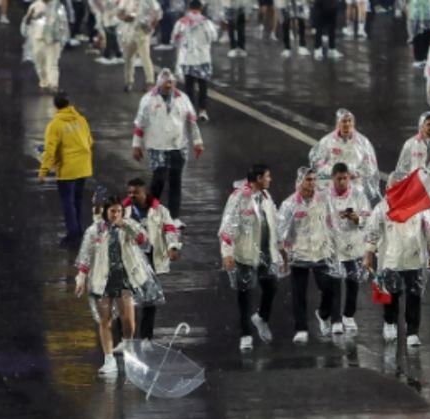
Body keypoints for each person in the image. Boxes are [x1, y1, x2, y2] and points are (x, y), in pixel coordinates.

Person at [76, 196, 164, 375]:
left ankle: (129, 349)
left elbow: (144, 241)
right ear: (105, 212)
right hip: (102, 280)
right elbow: (85, 255)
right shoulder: (95, 231)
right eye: (112, 211)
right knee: (105, 321)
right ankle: (109, 360)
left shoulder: (129, 225)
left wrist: (126, 225)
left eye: (119, 211)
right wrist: (81, 278)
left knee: (128, 321)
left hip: (124, 279)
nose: (116, 214)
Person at [365, 174, 430, 346]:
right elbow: (372, 234)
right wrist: (368, 255)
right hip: (389, 261)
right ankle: (389, 322)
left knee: (414, 296)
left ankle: (412, 331)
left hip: (414, 259)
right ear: (388, 189)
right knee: (389, 296)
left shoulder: (420, 206)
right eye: (395, 187)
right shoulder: (381, 208)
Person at [219, 165, 282, 351]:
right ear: (258, 178)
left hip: (266, 253)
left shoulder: (266, 197)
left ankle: (261, 318)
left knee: (272, 287)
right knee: (245, 295)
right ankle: (245, 334)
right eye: (267, 177)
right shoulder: (238, 198)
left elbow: (274, 223)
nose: (270, 180)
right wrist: (227, 253)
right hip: (244, 255)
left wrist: (281, 248)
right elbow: (227, 227)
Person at [132, 68, 205, 227]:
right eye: (166, 82)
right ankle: (150, 215)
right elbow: (140, 124)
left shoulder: (183, 98)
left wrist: (197, 141)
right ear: (159, 83)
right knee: (158, 180)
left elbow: (192, 122)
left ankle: (174, 217)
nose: (168, 85)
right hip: (157, 146)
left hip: (178, 145)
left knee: (175, 181)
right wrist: (136, 145)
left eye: (171, 82)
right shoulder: (148, 99)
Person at [277, 168, 342, 343]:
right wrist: (283, 257)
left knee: (328, 289)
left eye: (314, 180)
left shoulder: (324, 199)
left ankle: (323, 313)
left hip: (321, 253)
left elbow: (332, 224)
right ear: (300, 182)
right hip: (299, 255)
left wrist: (336, 249)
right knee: (299, 294)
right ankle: (301, 329)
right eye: (308, 180)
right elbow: (281, 233)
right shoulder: (289, 204)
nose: (312, 183)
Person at [123, 178, 181, 341]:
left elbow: (170, 229)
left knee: (149, 299)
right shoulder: (122, 210)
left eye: (136, 192)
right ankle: (125, 338)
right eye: (130, 193)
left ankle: (146, 338)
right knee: (125, 299)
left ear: (145, 192)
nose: (132, 195)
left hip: (150, 258)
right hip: (129, 259)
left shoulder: (160, 210)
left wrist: (173, 247)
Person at [38, 92, 93, 248]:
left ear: (55, 105)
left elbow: (50, 150)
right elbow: (89, 141)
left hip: (68, 169)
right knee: (77, 201)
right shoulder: (81, 120)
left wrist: (43, 171)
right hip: (83, 167)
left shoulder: (55, 125)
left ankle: (73, 235)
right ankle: (79, 230)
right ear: (69, 104)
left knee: (68, 203)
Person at [326, 162, 371, 333]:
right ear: (333, 178)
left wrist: (357, 218)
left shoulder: (358, 195)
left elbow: (368, 216)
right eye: (339, 179)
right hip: (334, 248)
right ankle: (336, 319)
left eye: (345, 178)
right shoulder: (325, 197)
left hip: (353, 246)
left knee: (353, 281)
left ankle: (349, 315)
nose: (343, 182)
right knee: (335, 283)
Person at [309, 108, 379, 203]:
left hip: (355, 187)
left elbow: (370, 166)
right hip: (331, 186)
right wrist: (333, 172)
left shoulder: (363, 142)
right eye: (344, 121)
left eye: (350, 121)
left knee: (353, 213)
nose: (347, 124)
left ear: (353, 123)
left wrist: (357, 173)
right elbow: (317, 163)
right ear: (338, 123)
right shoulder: (327, 142)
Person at [172, 0, 218, 121]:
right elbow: (213, 37)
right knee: (191, 88)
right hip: (193, 60)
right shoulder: (186, 23)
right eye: (193, 11)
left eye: (196, 12)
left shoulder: (204, 23)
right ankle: (194, 111)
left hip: (200, 60)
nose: (194, 14)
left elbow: (213, 37)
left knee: (199, 87)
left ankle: (201, 111)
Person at [22, 0, 68, 92]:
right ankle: (44, 80)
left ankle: (53, 84)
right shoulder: (35, 5)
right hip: (38, 38)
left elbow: (63, 23)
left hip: (53, 39)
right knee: (39, 62)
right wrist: (30, 17)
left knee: (52, 63)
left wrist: (62, 36)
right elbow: (26, 23)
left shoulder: (58, 6)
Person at [118, 0, 161, 92]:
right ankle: (128, 81)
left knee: (145, 57)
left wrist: (152, 25)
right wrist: (124, 18)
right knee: (128, 57)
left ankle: (150, 82)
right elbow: (119, 12)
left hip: (142, 31)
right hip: (128, 32)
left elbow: (158, 12)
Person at [394, 111, 430, 176]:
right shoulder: (410, 143)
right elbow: (402, 168)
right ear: (422, 126)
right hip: (417, 182)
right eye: (429, 124)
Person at [407, 0, 430, 68]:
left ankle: (421, 59)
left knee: (423, 36)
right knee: (421, 36)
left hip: (421, 13)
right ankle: (421, 58)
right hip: (422, 13)